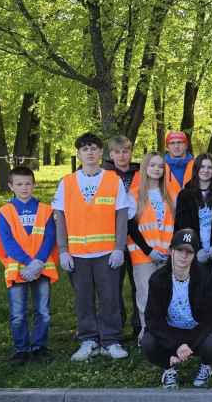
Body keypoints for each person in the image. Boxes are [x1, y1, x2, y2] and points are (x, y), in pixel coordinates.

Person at [53, 132, 131, 361]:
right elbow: (60, 217)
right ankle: (88, 340)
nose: (90, 153)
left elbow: (122, 215)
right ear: (78, 154)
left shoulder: (113, 180)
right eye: (85, 149)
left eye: (94, 148)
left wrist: (119, 248)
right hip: (77, 254)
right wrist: (63, 250)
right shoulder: (67, 183)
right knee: (83, 299)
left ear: (101, 153)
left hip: (107, 253)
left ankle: (111, 340)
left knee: (110, 298)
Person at [141, 228, 212, 389]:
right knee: (148, 343)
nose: (184, 255)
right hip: (170, 330)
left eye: (189, 252)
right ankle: (168, 368)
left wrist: (189, 344)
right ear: (171, 251)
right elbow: (153, 319)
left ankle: (206, 366)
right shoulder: (158, 279)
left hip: (196, 330)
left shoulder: (206, 279)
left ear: (194, 255)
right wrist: (175, 345)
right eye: (180, 250)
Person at [0, 166, 58, 363]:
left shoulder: (45, 210)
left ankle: (39, 347)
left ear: (34, 185)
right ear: (11, 186)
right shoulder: (4, 212)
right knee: (18, 314)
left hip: (41, 267)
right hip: (18, 269)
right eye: (19, 184)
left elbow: (50, 237)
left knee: (43, 312)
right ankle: (21, 349)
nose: (24, 188)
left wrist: (38, 262)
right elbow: (8, 242)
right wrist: (30, 263)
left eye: (28, 184)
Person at [174, 154, 212, 335]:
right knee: (197, 290)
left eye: (209, 167)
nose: (205, 171)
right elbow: (182, 226)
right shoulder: (185, 194)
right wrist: (195, 250)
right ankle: (198, 329)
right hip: (195, 252)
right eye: (202, 167)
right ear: (196, 170)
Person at [128, 152, 177, 341]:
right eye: (152, 165)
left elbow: (176, 223)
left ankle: (165, 332)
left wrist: (172, 248)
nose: (157, 169)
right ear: (145, 168)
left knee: (166, 293)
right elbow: (131, 227)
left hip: (167, 253)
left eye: (160, 166)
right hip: (143, 254)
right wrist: (149, 251)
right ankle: (147, 333)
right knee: (146, 295)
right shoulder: (134, 194)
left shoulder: (171, 193)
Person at [103, 135, 142, 336]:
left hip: (138, 237)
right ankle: (116, 326)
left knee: (139, 283)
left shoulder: (141, 174)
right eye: (117, 152)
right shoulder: (104, 175)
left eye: (125, 151)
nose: (121, 155)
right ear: (110, 155)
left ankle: (139, 325)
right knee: (113, 286)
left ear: (131, 153)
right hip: (112, 238)